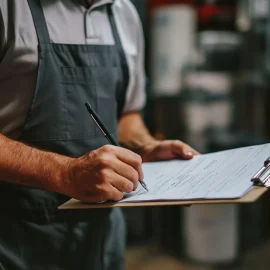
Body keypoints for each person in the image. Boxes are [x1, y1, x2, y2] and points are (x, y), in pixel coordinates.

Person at [0, 0, 198, 269]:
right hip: (15, 236)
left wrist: (146, 147)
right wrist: (66, 174)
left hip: (103, 237)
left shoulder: (123, 12)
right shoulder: (10, 8)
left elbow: (126, 113)